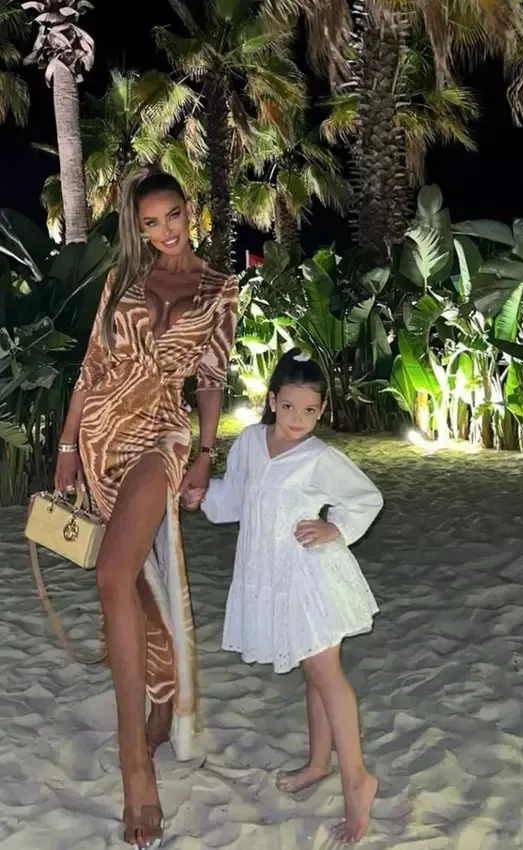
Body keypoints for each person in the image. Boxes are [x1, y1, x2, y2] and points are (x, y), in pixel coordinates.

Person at [54, 167, 238, 849]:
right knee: (132, 584)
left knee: (112, 575)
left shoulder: (219, 289)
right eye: (150, 223)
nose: (165, 231)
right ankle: (160, 702)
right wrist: (67, 446)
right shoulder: (123, 281)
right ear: (139, 228)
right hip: (102, 434)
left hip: (161, 432)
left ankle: (136, 760)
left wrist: (205, 454)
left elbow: (211, 378)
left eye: (173, 216)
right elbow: (90, 368)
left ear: (190, 210)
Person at [201, 349, 383, 845]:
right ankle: (319, 764)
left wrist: (334, 527)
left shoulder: (319, 457)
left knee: (326, 675)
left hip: (311, 577)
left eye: (309, 410)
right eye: (288, 407)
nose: (298, 419)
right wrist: (198, 494)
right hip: (272, 575)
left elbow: (366, 498)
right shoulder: (250, 442)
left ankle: (357, 780)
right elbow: (233, 499)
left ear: (320, 411)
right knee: (313, 674)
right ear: (272, 401)